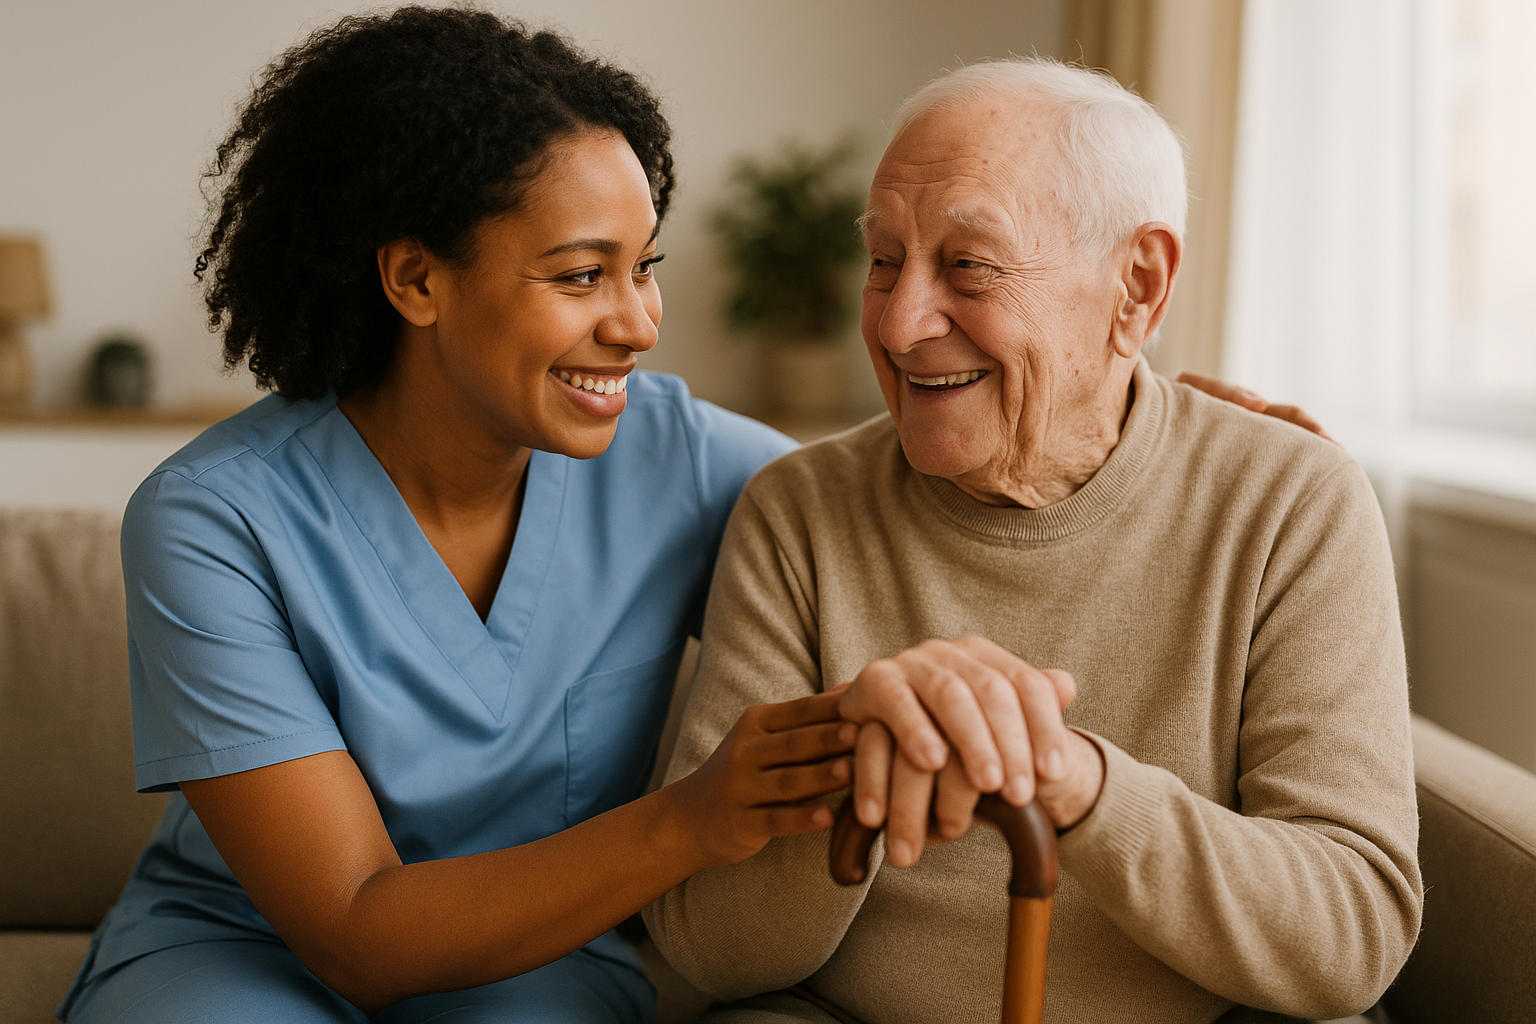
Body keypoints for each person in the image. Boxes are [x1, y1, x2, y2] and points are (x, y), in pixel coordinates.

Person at [59, 10, 859, 1023]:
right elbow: (352, 925)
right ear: (416, 278)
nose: (639, 323)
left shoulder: (683, 458)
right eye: (580, 275)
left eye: (644, 265)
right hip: (245, 945)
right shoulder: (212, 522)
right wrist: (694, 820)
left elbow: (873, 538)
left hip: (539, 956)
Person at [645, 58, 1421, 1024]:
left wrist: (1076, 780)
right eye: (884, 260)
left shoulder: (1291, 503)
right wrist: (857, 758)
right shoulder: (797, 512)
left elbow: (1349, 939)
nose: (897, 322)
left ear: (1137, 286)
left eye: (968, 265)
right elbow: (709, 950)